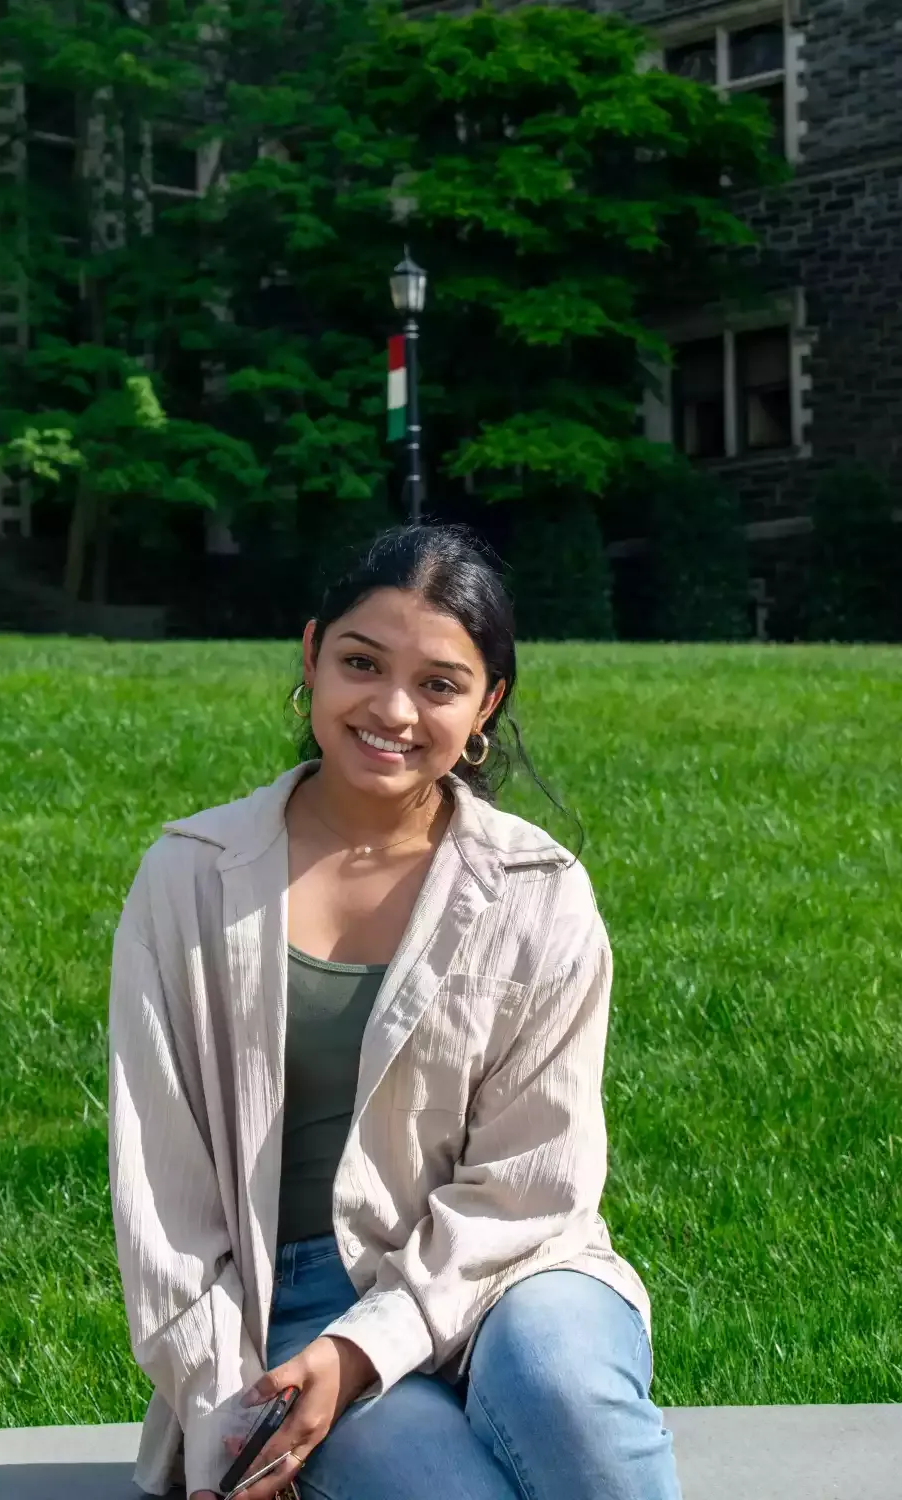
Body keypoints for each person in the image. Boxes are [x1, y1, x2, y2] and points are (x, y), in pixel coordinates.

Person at [108, 524, 682, 1500]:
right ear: (309, 658)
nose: (391, 710)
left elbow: (530, 1188)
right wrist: (229, 1413)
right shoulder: (189, 876)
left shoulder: (539, 891)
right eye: (360, 664)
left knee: (567, 1399)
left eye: (439, 684)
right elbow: (163, 1206)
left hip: (514, 1269)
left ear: (487, 704)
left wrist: (374, 1344)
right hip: (292, 1305)